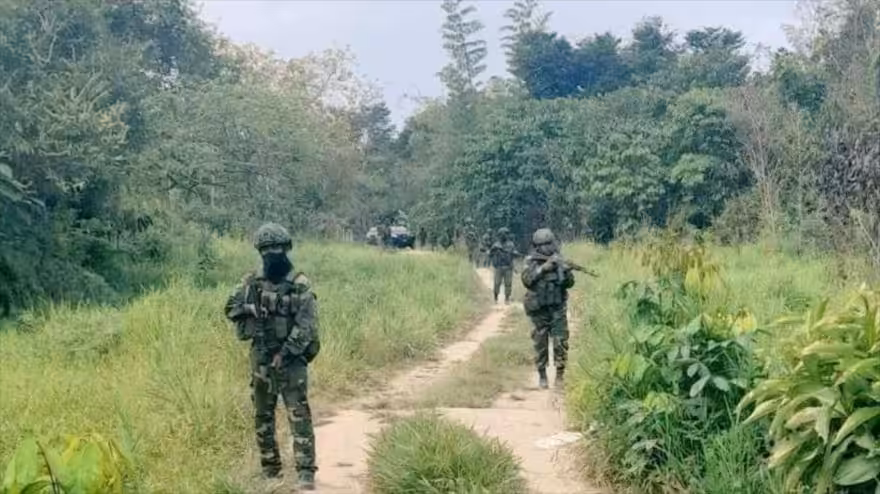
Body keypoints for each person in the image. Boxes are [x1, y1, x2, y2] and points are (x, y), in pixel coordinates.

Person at [224, 223, 320, 489]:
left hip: (292, 360)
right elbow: (229, 309)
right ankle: (270, 471)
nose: (272, 255)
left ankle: (305, 473)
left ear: (286, 249)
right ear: (260, 252)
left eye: (276, 249)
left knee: (298, 414)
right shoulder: (250, 281)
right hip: (261, 359)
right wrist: (249, 309)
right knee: (262, 416)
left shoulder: (300, 285)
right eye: (267, 250)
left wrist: (286, 353)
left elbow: (307, 325)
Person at [521, 228, 574, 390]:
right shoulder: (531, 261)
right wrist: (543, 269)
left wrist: (565, 272)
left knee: (561, 341)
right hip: (539, 309)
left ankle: (560, 375)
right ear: (537, 246)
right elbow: (527, 280)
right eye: (544, 245)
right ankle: (542, 375)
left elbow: (570, 284)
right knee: (540, 343)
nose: (548, 248)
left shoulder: (559, 259)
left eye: (550, 244)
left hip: (557, 307)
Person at [488, 227, 519, 304]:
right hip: (498, 267)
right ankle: (495, 298)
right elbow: (490, 254)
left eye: (506, 234)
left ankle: (507, 298)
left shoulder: (511, 244)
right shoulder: (496, 245)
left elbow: (515, 252)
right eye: (503, 234)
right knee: (497, 283)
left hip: (508, 267)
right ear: (499, 235)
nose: (504, 235)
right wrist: (493, 250)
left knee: (508, 283)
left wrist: (515, 253)